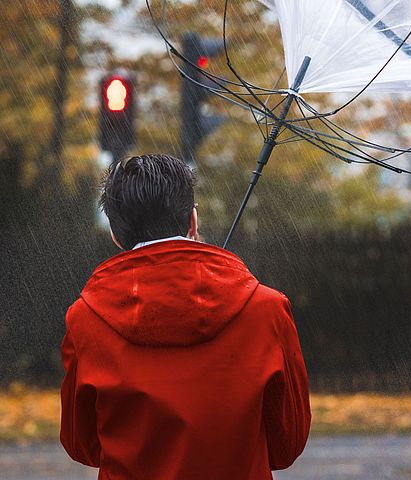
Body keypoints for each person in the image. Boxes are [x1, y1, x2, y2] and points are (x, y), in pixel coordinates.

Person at [59, 153, 311, 480]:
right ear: (193, 222)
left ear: (116, 236)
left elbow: (84, 446)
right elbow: (286, 444)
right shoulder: (266, 309)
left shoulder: (85, 319)